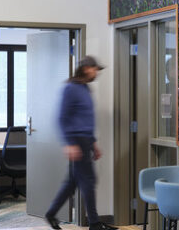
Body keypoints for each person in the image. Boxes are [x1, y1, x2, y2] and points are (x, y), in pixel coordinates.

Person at [45, 56, 113, 230]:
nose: (97, 72)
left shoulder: (86, 89)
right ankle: (94, 223)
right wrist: (69, 143)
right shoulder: (70, 88)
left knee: (73, 182)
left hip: (85, 141)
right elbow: (62, 118)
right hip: (76, 141)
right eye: (95, 69)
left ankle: (51, 213)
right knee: (89, 180)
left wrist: (94, 144)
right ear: (85, 69)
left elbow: (86, 120)